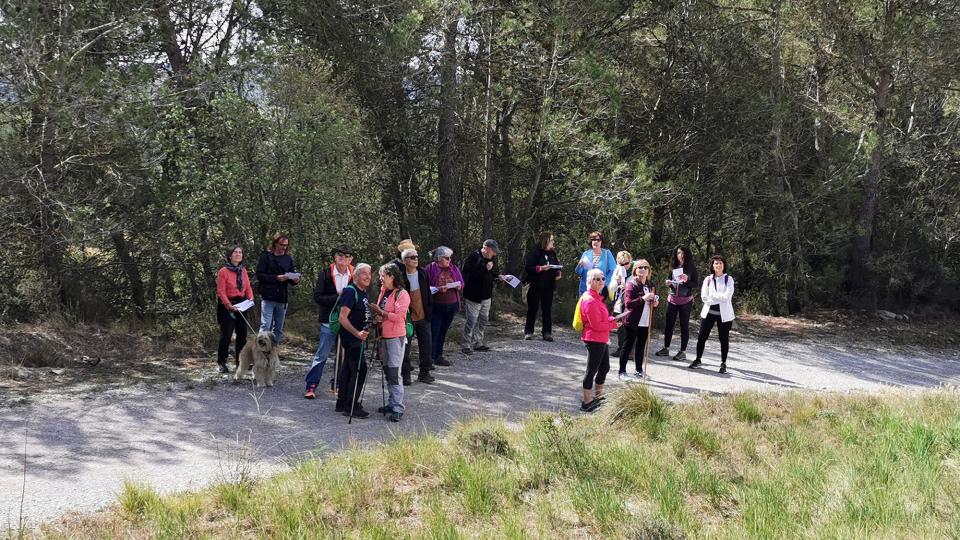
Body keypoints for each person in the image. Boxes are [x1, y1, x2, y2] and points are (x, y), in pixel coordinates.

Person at [304, 244, 354, 399]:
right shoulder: (325, 273)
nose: (343, 258)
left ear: (350, 259)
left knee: (343, 355)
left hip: (347, 321)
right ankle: (311, 386)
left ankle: (338, 384)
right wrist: (337, 297)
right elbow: (318, 297)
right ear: (335, 257)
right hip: (329, 321)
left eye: (346, 256)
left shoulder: (354, 274)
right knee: (322, 354)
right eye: (340, 255)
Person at [369, 263, 409, 422]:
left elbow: (400, 317)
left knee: (394, 372)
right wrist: (378, 316)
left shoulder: (402, 294)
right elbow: (385, 313)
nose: (380, 279)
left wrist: (382, 313)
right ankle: (392, 403)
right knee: (387, 370)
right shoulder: (384, 291)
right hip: (383, 336)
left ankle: (398, 407)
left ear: (392, 276)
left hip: (395, 337)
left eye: (382, 276)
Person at [334, 264, 372, 418]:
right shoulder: (351, 291)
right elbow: (342, 318)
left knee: (348, 369)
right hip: (352, 338)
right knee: (359, 370)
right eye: (364, 273)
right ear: (355, 276)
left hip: (356, 338)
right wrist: (357, 333)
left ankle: (342, 402)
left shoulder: (362, 292)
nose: (368, 276)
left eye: (369, 273)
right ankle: (352, 406)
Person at [578, 268, 620, 412]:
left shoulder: (597, 298)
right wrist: (613, 324)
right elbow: (595, 325)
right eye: (597, 279)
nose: (602, 281)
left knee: (604, 368)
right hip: (594, 338)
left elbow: (601, 319)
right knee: (592, 370)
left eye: (603, 278)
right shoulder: (589, 300)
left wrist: (611, 319)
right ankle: (586, 402)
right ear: (589, 281)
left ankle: (597, 397)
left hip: (601, 338)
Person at [689, 255, 735, 373]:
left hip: (724, 315)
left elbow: (727, 297)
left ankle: (723, 363)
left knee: (723, 339)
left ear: (724, 265)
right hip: (709, 313)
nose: (718, 265)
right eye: (715, 263)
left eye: (720, 263)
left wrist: (714, 296)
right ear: (712, 266)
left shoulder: (729, 279)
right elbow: (704, 297)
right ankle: (698, 359)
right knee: (701, 337)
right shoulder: (708, 279)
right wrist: (719, 298)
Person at [618, 259, 660, 381]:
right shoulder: (631, 284)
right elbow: (628, 304)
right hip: (632, 321)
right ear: (635, 270)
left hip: (646, 321)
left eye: (645, 267)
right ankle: (622, 371)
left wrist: (655, 303)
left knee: (641, 346)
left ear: (648, 271)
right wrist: (643, 298)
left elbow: (652, 303)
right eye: (640, 267)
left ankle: (639, 370)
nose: (642, 269)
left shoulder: (651, 285)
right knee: (627, 346)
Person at [654, 245, 698, 362]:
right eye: (678, 253)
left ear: (687, 255)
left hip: (685, 301)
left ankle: (682, 352)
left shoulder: (692, 268)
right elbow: (670, 280)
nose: (680, 255)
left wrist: (687, 280)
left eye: (683, 253)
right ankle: (666, 348)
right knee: (669, 324)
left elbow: (695, 284)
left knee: (684, 326)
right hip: (672, 299)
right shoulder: (674, 266)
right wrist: (668, 283)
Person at [460, 239, 504, 355]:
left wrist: (497, 277)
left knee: (483, 320)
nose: (494, 254)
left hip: (486, 295)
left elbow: (488, 274)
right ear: (487, 249)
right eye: (493, 251)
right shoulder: (473, 257)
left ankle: (478, 342)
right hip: (473, 296)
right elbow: (468, 274)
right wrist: (485, 268)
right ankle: (466, 345)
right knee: (471, 321)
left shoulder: (490, 259)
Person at [215, 245, 254, 374]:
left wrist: (250, 299)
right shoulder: (223, 271)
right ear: (230, 255)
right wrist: (228, 305)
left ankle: (240, 361)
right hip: (227, 306)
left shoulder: (243, 270)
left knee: (242, 335)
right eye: (235, 252)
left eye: (240, 252)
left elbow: (247, 287)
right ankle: (221, 362)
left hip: (242, 304)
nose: (238, 254)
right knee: (226, 335)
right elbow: (221, 291)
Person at [256, 232, 300, 345]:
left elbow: (290, 274)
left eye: (286, 245)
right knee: (266, 326)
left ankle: (273, 350)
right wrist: (276, 278)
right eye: (281, 245)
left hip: (282, 297)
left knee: (279, 328)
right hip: (268, 296)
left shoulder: (288, 258)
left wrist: (294, 279)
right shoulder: (265, 256)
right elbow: (260, 275)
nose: (283, 248)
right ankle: (260, 351)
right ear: (275, 243)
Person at [399, 246, 435, 385]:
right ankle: (405, 374)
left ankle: (424, 373)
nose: (416, 260)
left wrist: (429, 311)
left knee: (426, 346)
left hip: (423, 315)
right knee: (405, 348)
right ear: (404, 261)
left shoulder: (423, 273)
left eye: (417, 257)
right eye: (412, 257)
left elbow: (427, 293)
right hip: (407, 317)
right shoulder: (400, 276)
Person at [425, 246, 462, 367]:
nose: (449, 260)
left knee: (443, 331)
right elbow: (425, 288)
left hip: (451, 305)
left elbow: (461, 282)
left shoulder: (454, 268)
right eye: (446, 258)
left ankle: (439, 355)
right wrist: (438, 289)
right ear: (439, 258)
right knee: (434, 331)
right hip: (436, 305)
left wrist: (458, 286)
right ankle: (430, 356)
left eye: (450, 258)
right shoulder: (430, 269)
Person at [523, 231, 562, 341]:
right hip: (535, 285)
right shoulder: (534, 253)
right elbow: (528, 268)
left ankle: (547, 333)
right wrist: (540, 268)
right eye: (551, 240)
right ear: (546, 241)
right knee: (532, 309)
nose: (553, 242)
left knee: (547, 310)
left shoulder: (552, 253)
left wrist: (558, 272)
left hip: (549, 286)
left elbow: (557, 266)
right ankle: (529, 332)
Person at [574, 231, 616, 297]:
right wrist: (579, 265)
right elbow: (578, 272)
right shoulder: (586, 254)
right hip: (585, 289)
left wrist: (604, 282)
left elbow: (613, 270)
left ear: (601, 241)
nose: (595, 242)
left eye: (598, 240)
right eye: (593, 239)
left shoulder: (607, 253)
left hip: (600, 290)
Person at [609, 250, 632, 358]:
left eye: (626, 263)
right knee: (621, 326)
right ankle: (621, 347)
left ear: (630, 262)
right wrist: (617, 282)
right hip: (619, 302)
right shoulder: (617, 271)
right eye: (621, 264)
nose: (624, 266)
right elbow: (612, 288)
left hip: (631, 302)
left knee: (631, 326)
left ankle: (631, 350)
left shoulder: (635, 271)